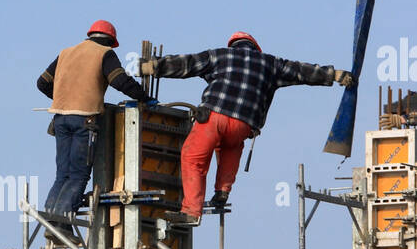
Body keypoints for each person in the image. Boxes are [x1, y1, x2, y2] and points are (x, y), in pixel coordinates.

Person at [141, 33, 355, 225]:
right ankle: (222, 191)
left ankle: (191, 211)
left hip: (214, 116)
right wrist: (333, 75)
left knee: (193, 157)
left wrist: (156, 66)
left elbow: (187, 64)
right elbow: (301, 72)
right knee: (230, 147)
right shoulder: (270, 64)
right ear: (255, 48)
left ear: (233, 46)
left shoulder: (220, 56)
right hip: (243, 125)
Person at [37, 20, 151, 223]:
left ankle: (50, 222)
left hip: (60, 119)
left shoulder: (66, 52)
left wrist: (66, 99)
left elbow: (42, 82)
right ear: (110, 41)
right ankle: (62, 223)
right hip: (85, 121)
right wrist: (144, 97)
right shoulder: (104, 53)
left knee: (62, 174)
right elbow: (119, 80)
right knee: (78, 175)